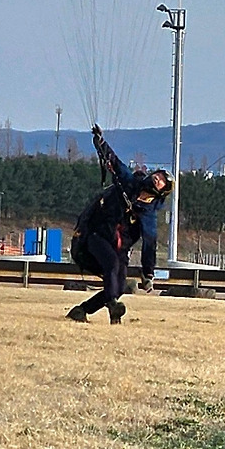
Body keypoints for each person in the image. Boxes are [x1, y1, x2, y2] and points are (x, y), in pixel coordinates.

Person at [67, 126, 172, 323]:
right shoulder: (129, 183)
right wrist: (101, 143)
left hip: (120, 247)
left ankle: (82, 311)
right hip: (96, 236)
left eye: (160, 181)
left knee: (120, 284)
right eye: (157, 175)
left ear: (161, 191)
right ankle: (113, 306)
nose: (157, 178)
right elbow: (115, 163)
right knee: (111, 265)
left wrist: (148, 273)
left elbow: (150, 244)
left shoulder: (148, 215)